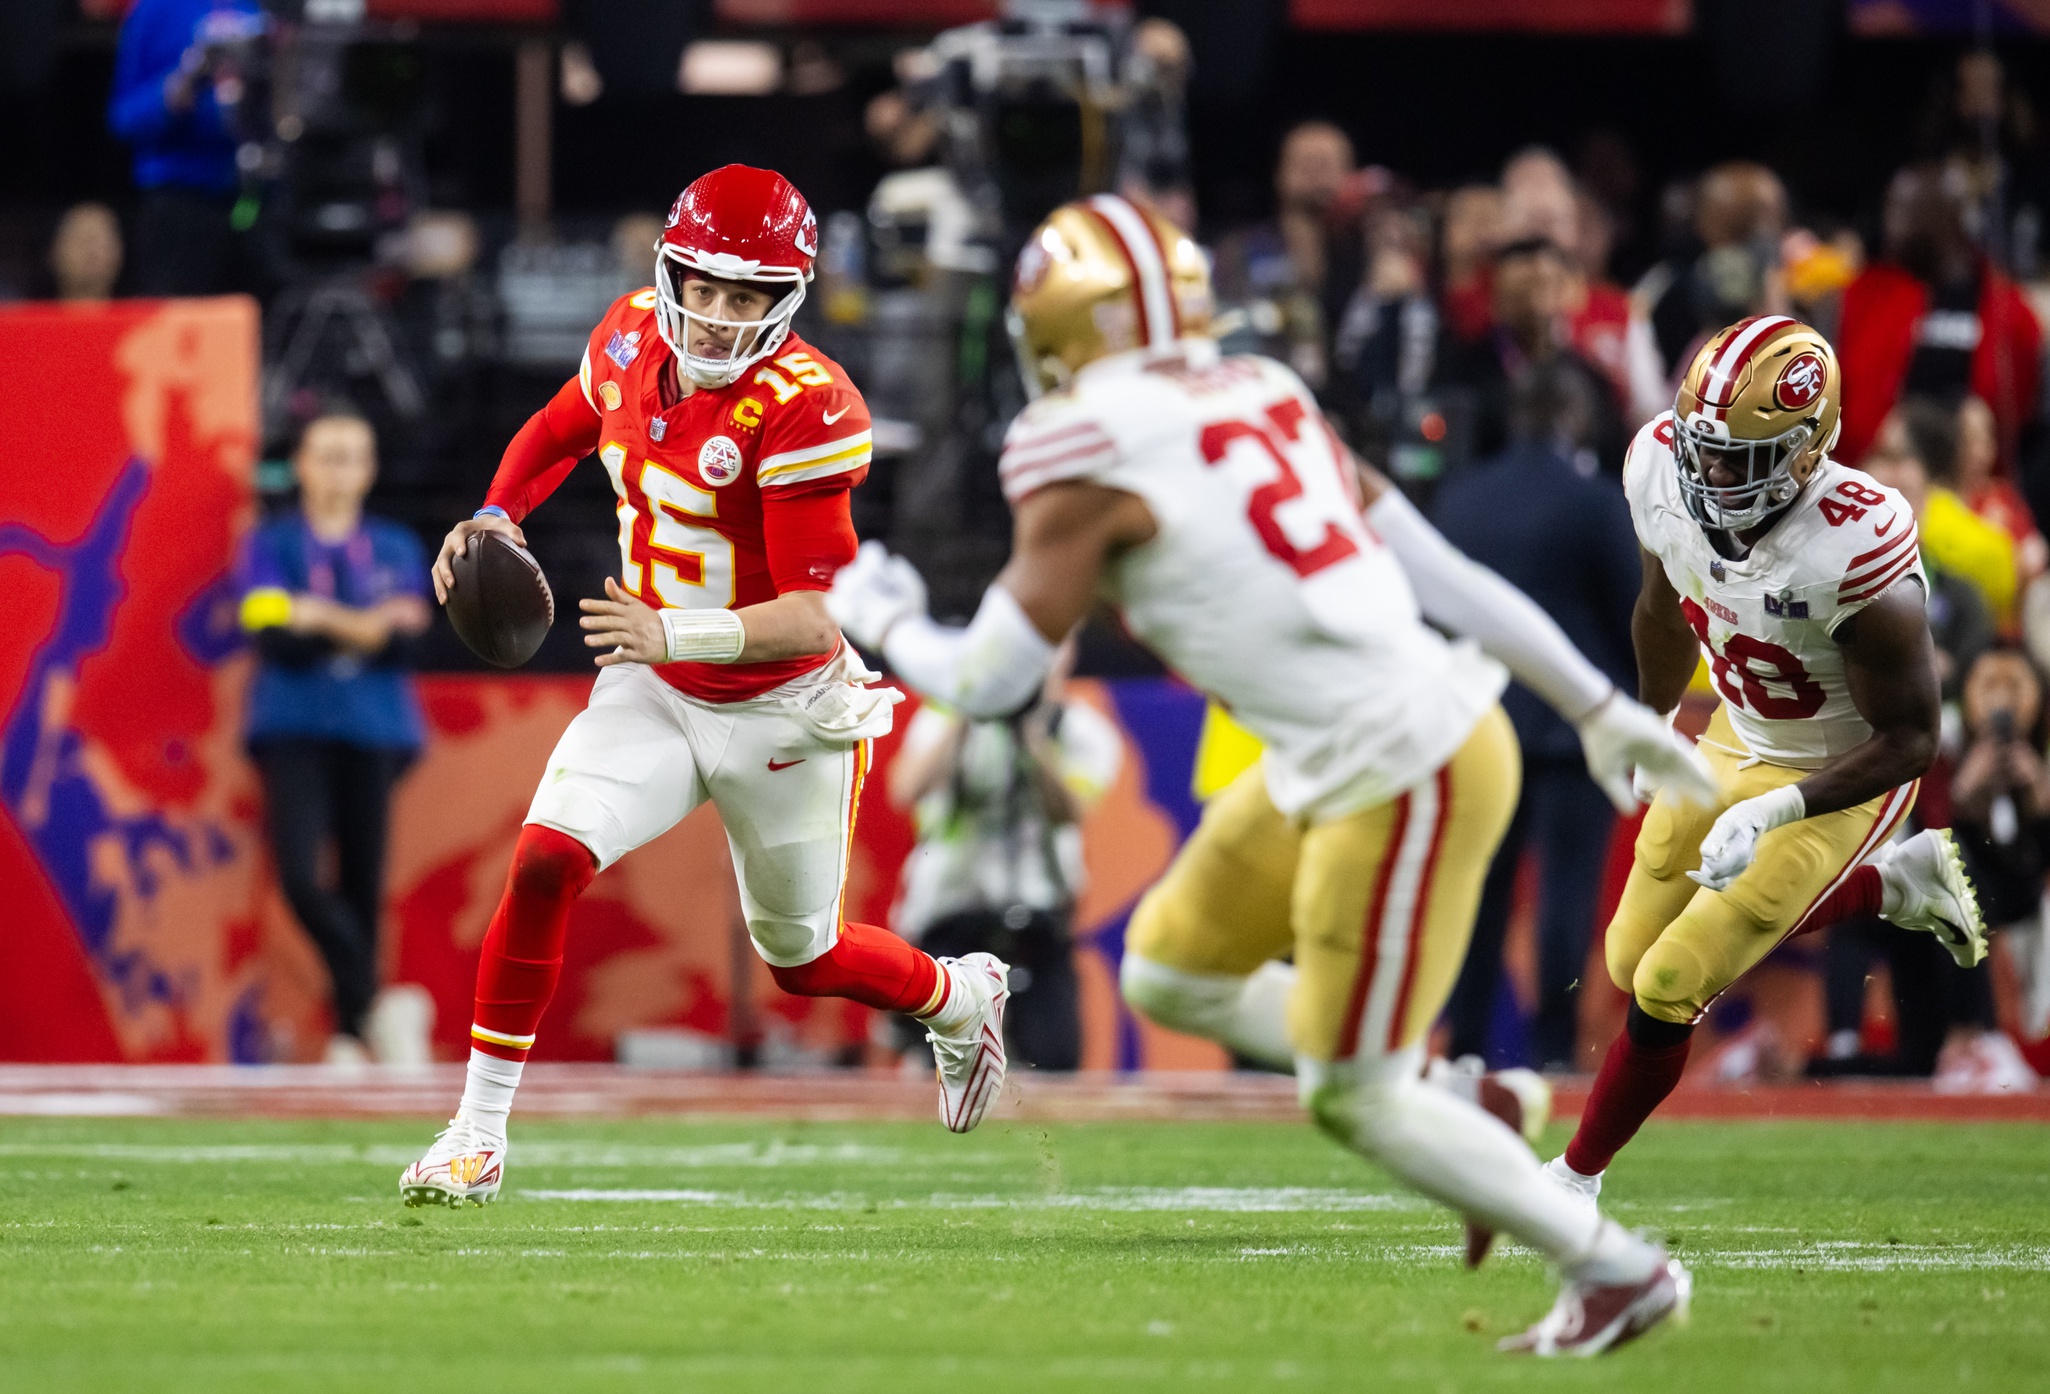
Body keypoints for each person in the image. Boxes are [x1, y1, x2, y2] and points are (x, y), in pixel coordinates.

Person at [832, 192, 1728, 1355]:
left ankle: (1614, 1268)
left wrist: (884, 616)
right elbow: (1441, 575)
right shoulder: (1264, 389)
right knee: (1165, 966)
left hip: (1401, 764)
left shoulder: (1081, 441)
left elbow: (992, 680)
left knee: (1346, 1093)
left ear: (1060, 329)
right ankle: (1456, 1102)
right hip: (1345, 749)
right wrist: (1598, 705)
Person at [398, 166, 1010, 1207]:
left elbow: (821, 612)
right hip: (658, 688)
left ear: (790, 298)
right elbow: (556, 428)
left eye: (748, 295)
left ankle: (958, 996)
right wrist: (497, 512)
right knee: (547, 857)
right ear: (669, 271)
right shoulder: (632, 336)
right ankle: (475, 1133)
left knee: (803, 957)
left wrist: (668, 624)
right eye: (706, 287)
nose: (720, 316)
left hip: (783, 706)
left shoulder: (808, 406)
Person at [1549, 316, 1991, 1203]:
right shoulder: (1659, 468)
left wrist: (1779, 810)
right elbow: (1663, 606)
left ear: (1804, 451)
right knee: (1629, 960)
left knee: (1673, 983)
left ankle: (1571, 1182)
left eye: (1737, 458)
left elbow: (1912, 740)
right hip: (1734, 736)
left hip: (1842, 777)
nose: (1709, 474)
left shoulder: (1856, 544)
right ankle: (1900, 887)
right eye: (1704, 449)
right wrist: (1654, 717)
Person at [1434, 365, 1641, 1070]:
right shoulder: (1592, 501)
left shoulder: (1460, 500)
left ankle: (1464, 1043)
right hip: (1573, 726)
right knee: (1566, 892)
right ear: (1575, 423)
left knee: (1474, 893)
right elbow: (1634, 614)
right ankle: (1554, 1047)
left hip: (1478, 724)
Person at [237, 413, 432, 1063]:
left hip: (374, 730)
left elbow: (403, 636)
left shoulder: (396, 546)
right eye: (327, 456)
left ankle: (350, 1034)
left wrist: (317, 612)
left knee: (362, 880)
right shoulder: (271, 541)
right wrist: (362, 624)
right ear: (301, 465)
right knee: (299, 879)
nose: (340, 470)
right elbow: (269, 629)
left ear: (371, 468)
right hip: (291, 727)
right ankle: (376, 1004)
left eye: (353, 456)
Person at [887, 641, 1121, 1071]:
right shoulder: (942, 715)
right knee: (939, 1059)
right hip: (951, 905)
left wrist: (1032, 735)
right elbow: (905, 789)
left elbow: (1071, 812)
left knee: (1055, 1058)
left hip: (1039, 912)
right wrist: (968, 712)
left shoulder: (1081, 729)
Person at [1836, 160, 2042, 474]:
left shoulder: (2009, 308)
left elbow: (2019, 414)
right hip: (1881, 470)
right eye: (1891, 207)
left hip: (1972, 475)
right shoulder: (1866, 294)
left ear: (1950, 216)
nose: (1892, 222)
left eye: (1906, 209)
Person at [107, 0, 273, 298]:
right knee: (180, 328)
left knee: (259, 328)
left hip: (257, 200)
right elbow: (123, 117)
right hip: (180, 205)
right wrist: (175, 91)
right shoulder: (154, 10)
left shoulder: (258, 8)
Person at [1212, 121, 1360, 390]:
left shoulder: (1367, 252)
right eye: (1306, 163)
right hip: (1269, 398)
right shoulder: (1240, 251)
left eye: (1327, 164)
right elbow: (1226, 335)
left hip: (1354, 410)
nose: (1317, 175)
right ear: (1279, 173)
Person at [49, 204, 123, 301]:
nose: (91, 251)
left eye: (100, 241)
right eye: (80, 240)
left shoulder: (144, 314)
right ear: (55, 252)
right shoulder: (29, 314)